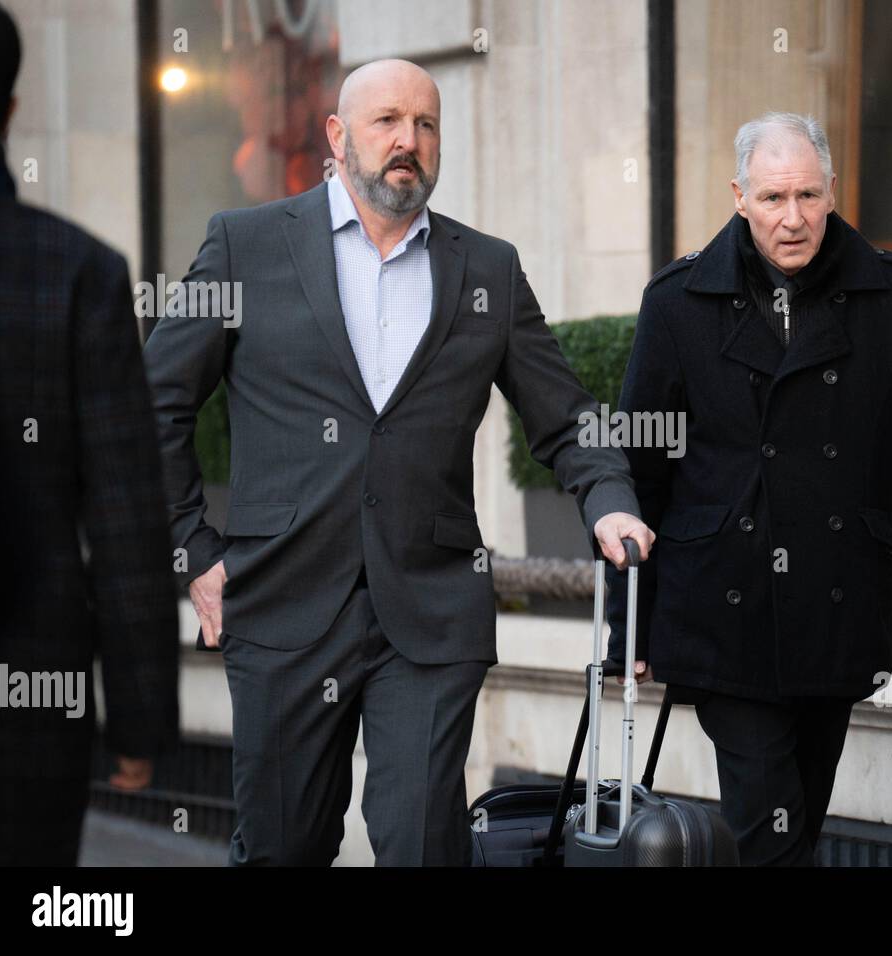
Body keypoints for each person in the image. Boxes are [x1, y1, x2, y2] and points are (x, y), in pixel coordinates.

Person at [143, 58, 654, 866]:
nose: (406, 141)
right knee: (282, 847)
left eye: (424, 124)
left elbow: (565, 414)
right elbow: (154, 401)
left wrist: (609, 498)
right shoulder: (244, 246)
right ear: (340, 136)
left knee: (423, 844)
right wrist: (193, 551)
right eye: (386, 122)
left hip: (430, 611)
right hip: (280, 607)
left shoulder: (485, 268)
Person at [606, 111, 892, 865]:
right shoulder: (678, 301)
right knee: (770, 824)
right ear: (739, 197)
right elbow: (639, 464)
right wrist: (631, 625)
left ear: (832, 192)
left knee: (798, 820)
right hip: (719, 606)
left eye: (809, 197)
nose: (794, 218)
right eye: (775, 198)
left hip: (837, 603)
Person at [0, 0, 179, 865]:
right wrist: (140, 718)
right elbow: (127, 518)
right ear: (12, 110)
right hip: (31, 692)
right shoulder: (80, 273)